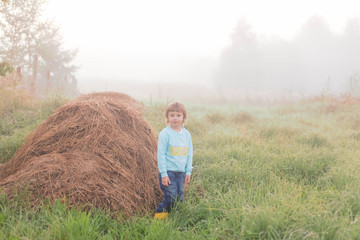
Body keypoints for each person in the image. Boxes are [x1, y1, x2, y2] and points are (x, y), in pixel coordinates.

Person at [154, 101, 193, 221]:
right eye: (172, 115)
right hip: (169, 171)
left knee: (180, 197)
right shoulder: (165, 134)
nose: (175, 118)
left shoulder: (186, 134)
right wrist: (164, 174)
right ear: (167, 117)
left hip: (181, 172)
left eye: (178, 115)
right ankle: (159, 218)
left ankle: (175, 218)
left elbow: (189, 153)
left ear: (183, 117)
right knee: (170, 197)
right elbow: (161, 155)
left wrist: (188, 171)